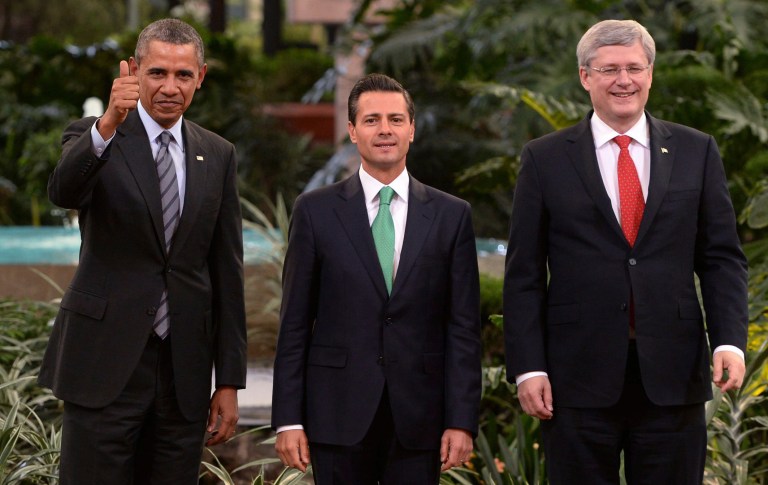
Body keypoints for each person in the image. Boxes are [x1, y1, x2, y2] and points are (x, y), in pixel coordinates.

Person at [503, 19, 748, 484]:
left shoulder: (697, 151)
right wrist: (528, 367)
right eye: (609, 68)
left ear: (650, 74)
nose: (624, 80)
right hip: (575, 378)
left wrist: (729, 340)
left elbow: (721, 258)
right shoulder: (544, 159)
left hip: (673, 375)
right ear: (585, 76)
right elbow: (524, 274)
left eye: (635, 67)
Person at [38, 18, 247, 484]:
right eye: (157, 73)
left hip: (184, 378)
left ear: (201, 77)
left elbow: (227, 271)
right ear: (133, 71)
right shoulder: (96, 135)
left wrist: (229, 381)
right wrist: (109, 121)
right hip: (103, 369)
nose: (170, 87)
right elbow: (63, 191)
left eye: (183, 75)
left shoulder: (218, 154)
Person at [271, 73, 482, 484]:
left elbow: (463, 329)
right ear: (352, 131)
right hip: (337, 415)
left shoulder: (451, 215)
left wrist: (461, 421)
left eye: (395, 119)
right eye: (371, 120)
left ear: (412, 129)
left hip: (420, 419)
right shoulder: (315, 211)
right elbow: (294, 323)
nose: (385, 130)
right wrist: (288, 419)